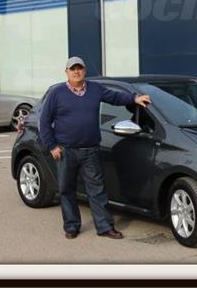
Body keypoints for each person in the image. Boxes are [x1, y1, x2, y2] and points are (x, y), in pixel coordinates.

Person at [39, 56, 151, 240]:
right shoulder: (57, 93)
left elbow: (115, 97)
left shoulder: (95, 89)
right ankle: (72, 226)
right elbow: (44, 122)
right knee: (66, 190)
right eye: (73, 69)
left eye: (79, 68)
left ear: (84, 71)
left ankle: (105, 227)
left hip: (90, 150)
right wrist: (52, 146)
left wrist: (134, 98)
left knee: (97, 190)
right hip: (66, 151)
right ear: (66, 72)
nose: (76, 72)